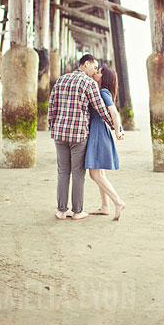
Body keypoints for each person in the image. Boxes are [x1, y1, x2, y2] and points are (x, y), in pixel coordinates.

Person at [48, 54, 122, 221]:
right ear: (86, 64)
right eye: (94, 67)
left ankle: (61, 211)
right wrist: (114, 127)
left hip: (60, 133)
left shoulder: (61, 79)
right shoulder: (88, 83)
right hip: (78, 134)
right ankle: (77, 211)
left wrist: (53, 127)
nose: (95, 71)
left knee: (62, 172)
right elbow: (101, 108)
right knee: (78, 174)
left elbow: (52, 106)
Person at [85, 65, 126, 221]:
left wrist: (118, 131)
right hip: (99, 130)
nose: (95, 73)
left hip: (98, 131)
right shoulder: (102, 91)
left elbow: (113, 112)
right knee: (100, 172)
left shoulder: (102, 92)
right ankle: (105, 206)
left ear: (104, 77)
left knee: (94, 174)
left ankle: (118, 201)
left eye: (99, 72)